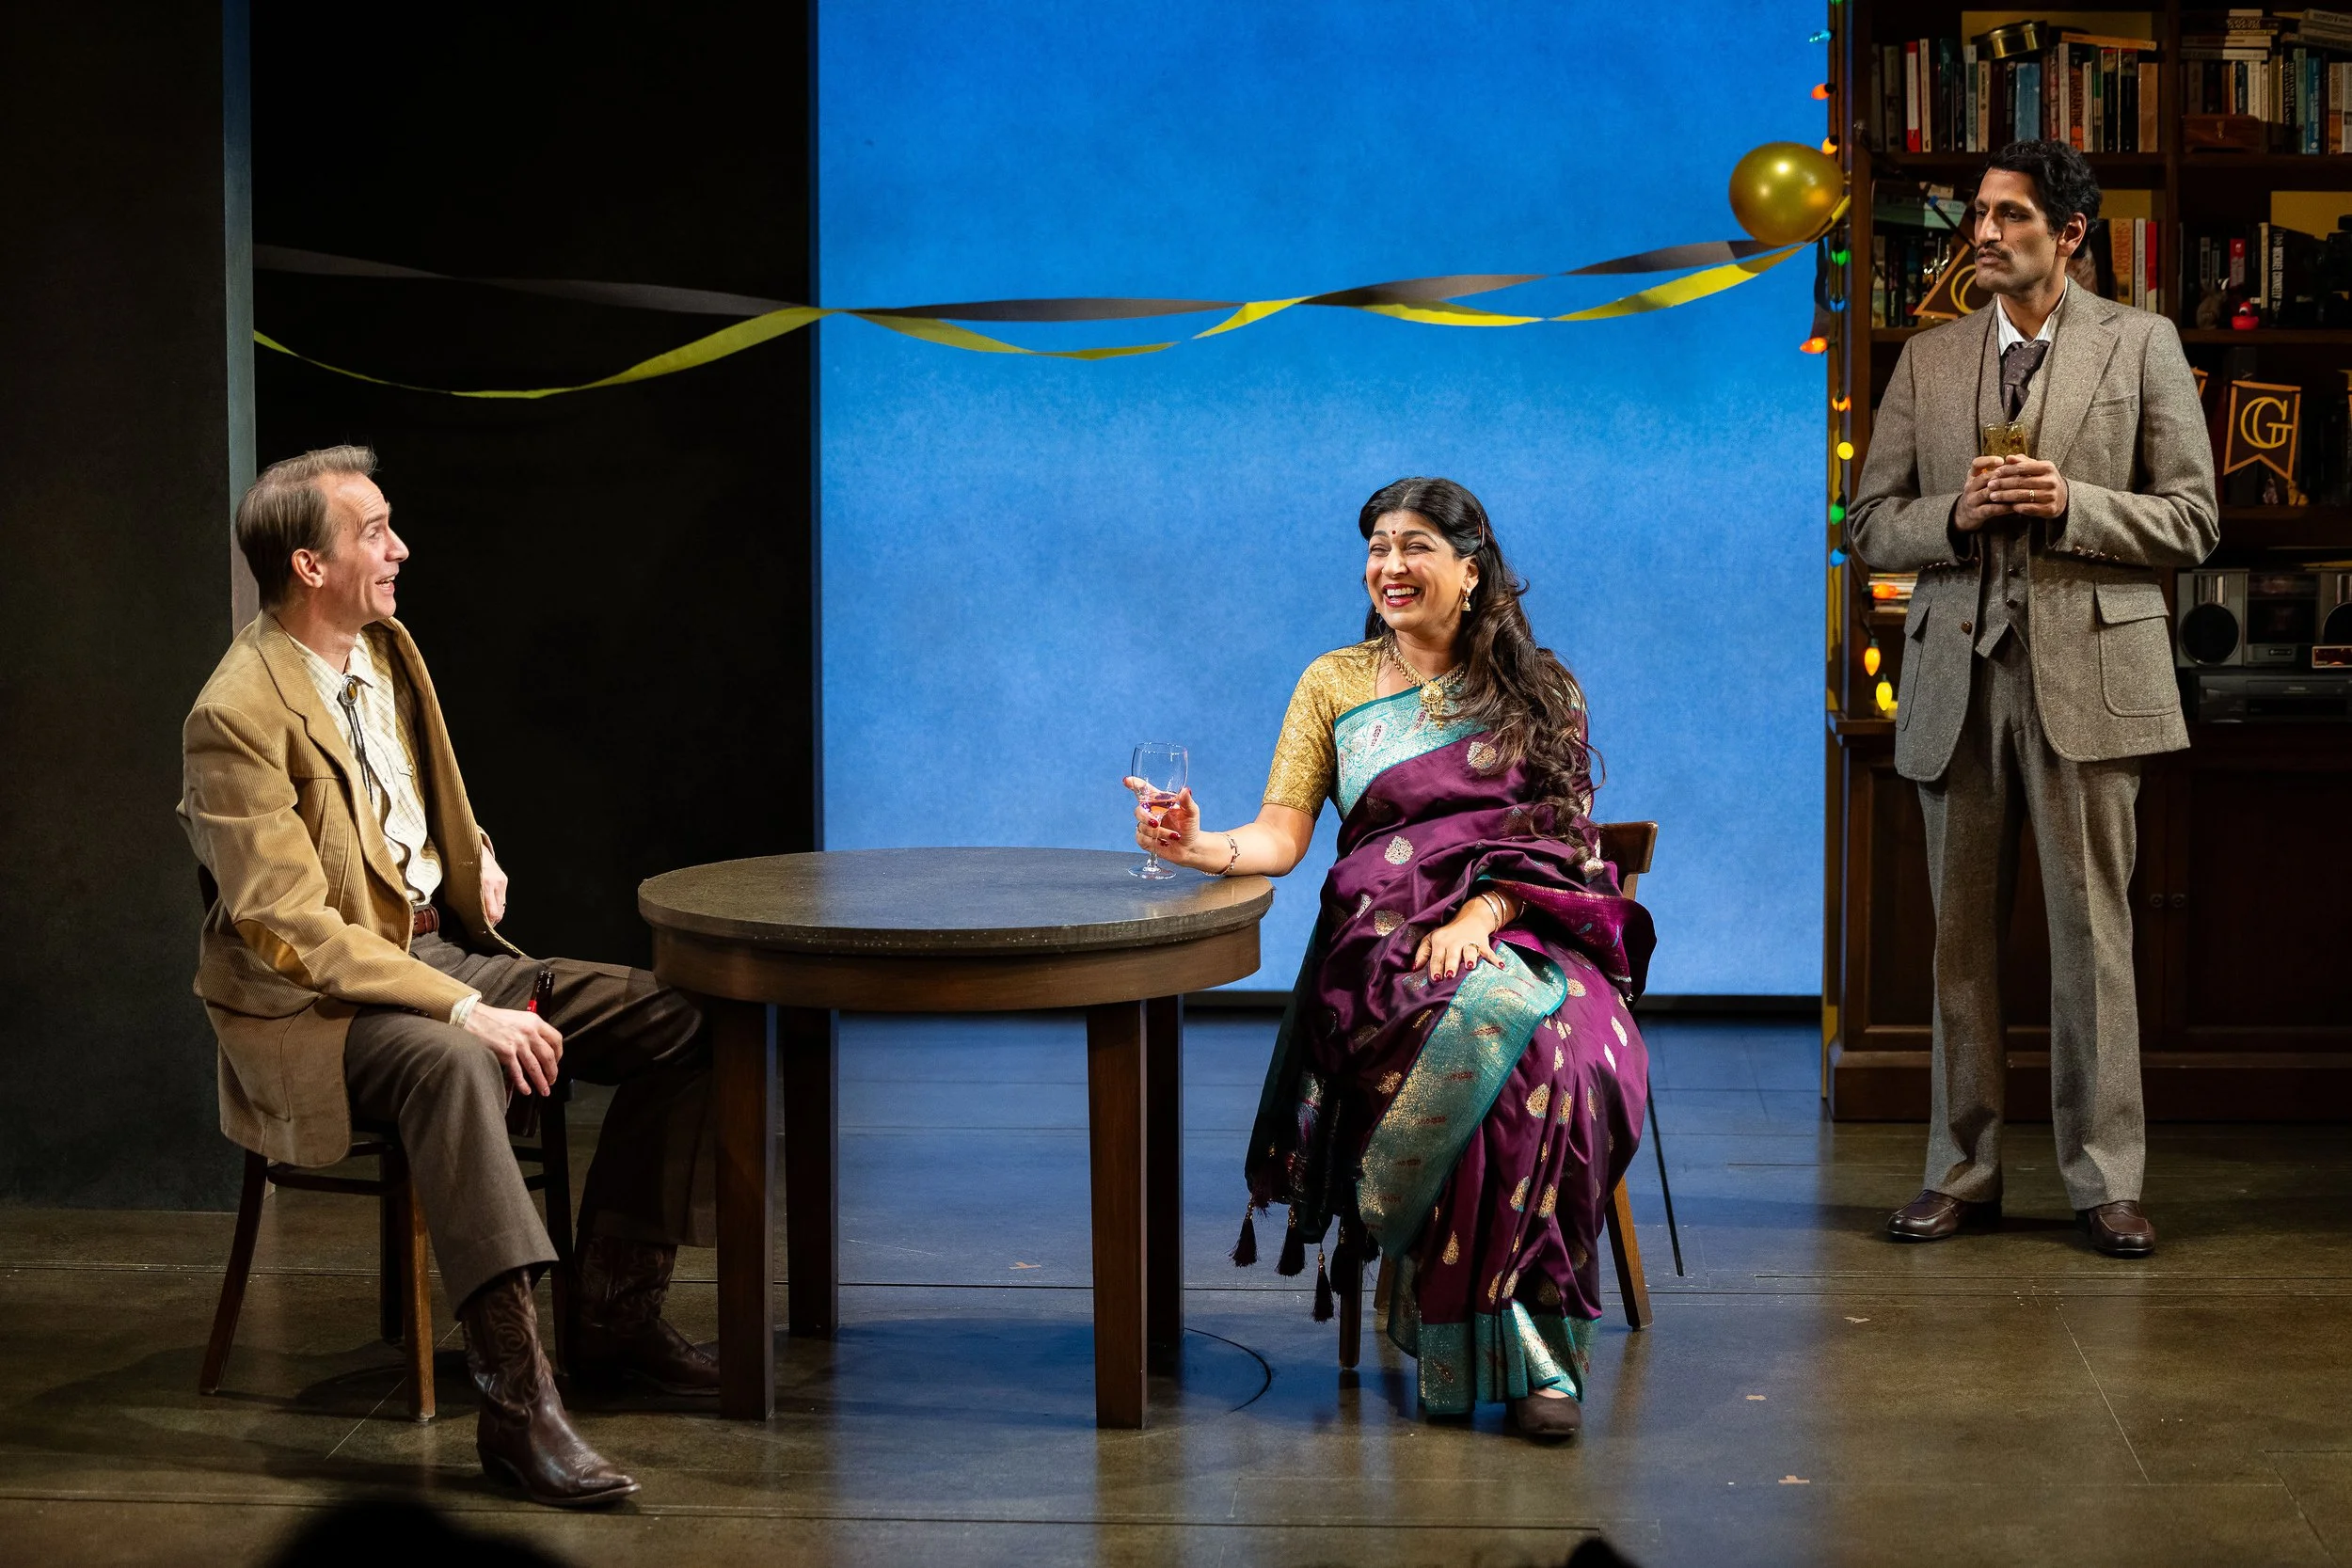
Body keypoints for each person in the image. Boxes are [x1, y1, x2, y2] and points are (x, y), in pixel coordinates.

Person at [181, 447, 723, 1507]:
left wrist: (467, 852)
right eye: (373, 530)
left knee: (682, 1018)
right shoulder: (234, 713)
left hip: (429, 947)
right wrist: (468, 1005)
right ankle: (518, 1405)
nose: (399, 547)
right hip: (315, 1004)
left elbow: (404, 793)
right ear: (307, 562)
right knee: (451, 1065)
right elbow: (290, 925)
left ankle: (613, 1314)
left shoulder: (380, 644)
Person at [1133, 477, 1654, 1441]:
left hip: (1534, 928)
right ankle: (1506, 1349)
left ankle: (1540, 1352)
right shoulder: (1331, 681)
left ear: (1470, 568)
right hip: (1385, 949)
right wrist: (1197, 845)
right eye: (1377, 545)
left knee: (1563, 1056)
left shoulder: (1544, 691)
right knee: (1477, 1044)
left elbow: (1561, 839)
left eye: (1415, 545)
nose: (1389, 566)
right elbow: (1282, 838)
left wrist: (1488, 912)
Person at [1848, 141, 2218, 1259]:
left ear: (2068, 235)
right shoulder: (1928, 357)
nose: (1984, 231)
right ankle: (1960, 1171)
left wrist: (2073, 500)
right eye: (1978, 214)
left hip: (2091, 678)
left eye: (2010, 214)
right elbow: (1866, 525)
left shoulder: (2140, 343)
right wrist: (1951, 517)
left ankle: (2104, 1180)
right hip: (1954, 679)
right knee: (1957, 947)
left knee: (2092, 939)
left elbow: (2194, 521)